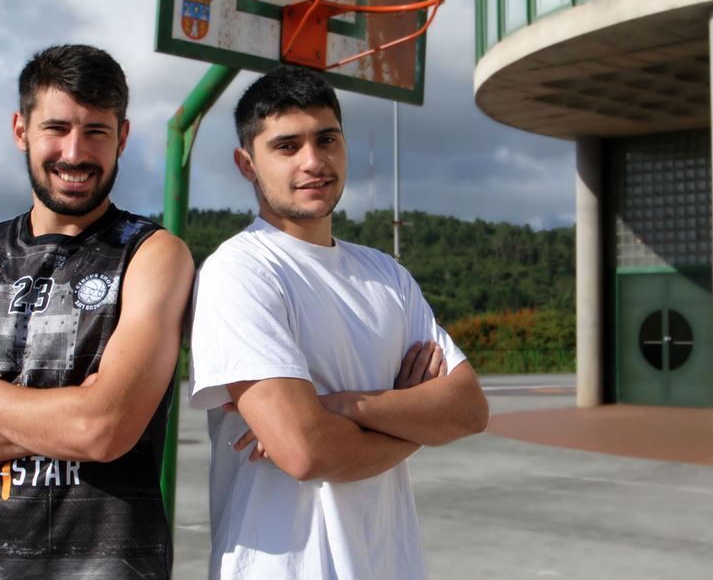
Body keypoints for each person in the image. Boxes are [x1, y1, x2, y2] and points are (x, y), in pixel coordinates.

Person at [0, 44, 195, 579]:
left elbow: (102, 429)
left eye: (96, 131)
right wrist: (66, 420)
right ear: (20, 130)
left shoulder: (152, 254)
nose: (75, 152)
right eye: (57, 128)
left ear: (123, 137)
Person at [188, 65, 491, 579]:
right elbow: (306, 451)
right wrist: (413, 418)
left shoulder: (387, 275)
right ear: (247, 164)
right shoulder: (240, 271)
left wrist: (340, 405)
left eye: (326, 139)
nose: (313, 161)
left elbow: (468, 410)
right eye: (287, 146)